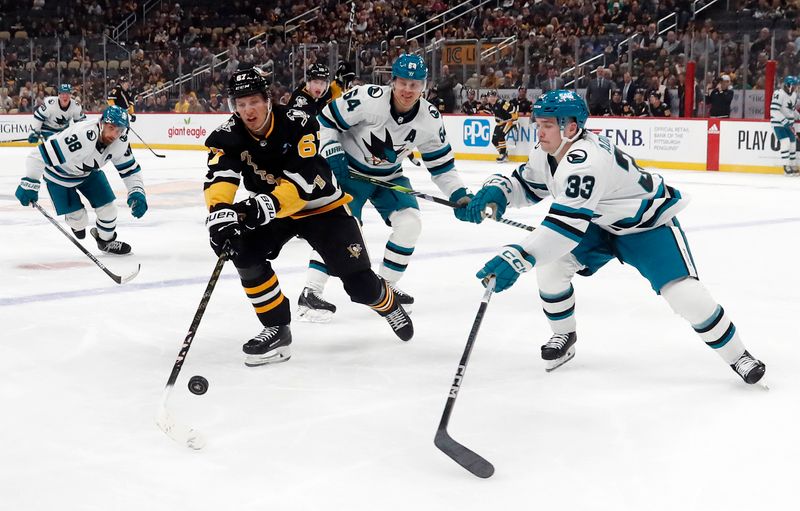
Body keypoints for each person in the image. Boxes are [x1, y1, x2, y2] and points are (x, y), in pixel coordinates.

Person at [458, 90, 765, 385]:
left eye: (548, 125)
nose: (540, 132)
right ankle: (565, 335)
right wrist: (497, 193)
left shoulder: (585, 160)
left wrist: (518, 257)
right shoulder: (548, 150)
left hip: (645, 225)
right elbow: (528, 184)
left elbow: (564, 229)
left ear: (571, 128)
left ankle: (739, 356)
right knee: (551, 268)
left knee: (686, 296)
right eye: (539, 124)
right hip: (597, 222)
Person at [202, 67, 413, 365]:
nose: (247, 110)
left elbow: (302, 182)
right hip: (273, 210)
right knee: (243, 250)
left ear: (268, 100)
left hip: (321, 206)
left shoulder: (298, 122)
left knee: (360, 286)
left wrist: (261, 207)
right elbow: (220, 177)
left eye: (253, 101)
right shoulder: (227, 135)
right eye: (240, 103)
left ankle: (388, 304)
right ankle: (276, 328)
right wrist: (220, 213)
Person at [297, 54, 472, 322]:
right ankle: (311, 292)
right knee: (341, 229)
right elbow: (325, 120)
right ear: (393, 82)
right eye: (403, 83)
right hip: (349, 173)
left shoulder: (430, 119)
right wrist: (331, 149)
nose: (408, 90)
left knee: (410, 223)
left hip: (389, 177)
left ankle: (385, 287)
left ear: (424, 86)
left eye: (415, 85)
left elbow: (442, 166)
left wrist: (459, 195)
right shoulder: (368, 99)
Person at [15, 105, 146, 252]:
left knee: (109, 210)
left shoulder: (120, 141)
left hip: (87, 174)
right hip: (59, 177)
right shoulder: (82, 135)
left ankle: (105, 242)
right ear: (101, 123)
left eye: (119, 130)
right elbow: (37, 156)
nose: (114, 135)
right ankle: (76, 223)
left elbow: (130, 170)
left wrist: (137, 191)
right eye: (111, 128)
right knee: (79, 221)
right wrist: (30, 183)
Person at [770, 75, 798, 176]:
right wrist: (784, 120)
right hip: (778, 124)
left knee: (792, 143)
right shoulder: (779, 93)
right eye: (794, 85)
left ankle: (793, 164)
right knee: (785, 142)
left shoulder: (794, 94)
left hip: (789, 123)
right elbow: (773, 110)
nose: (795, 87)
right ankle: (786, 166)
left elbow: (791, 109)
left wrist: (797, 115)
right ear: (788, 85)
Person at [483, 89, 519, 162]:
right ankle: (503, 153)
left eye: (494, 96)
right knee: (494, 140)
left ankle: (502, 154)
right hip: (501, 123)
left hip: (509, 122)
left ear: (496, 97)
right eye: (490, 97)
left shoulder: (501, 103)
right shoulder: (490, 104)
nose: (492, 98)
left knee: (500, 136)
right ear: (487, 98)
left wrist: (514, 120)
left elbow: (513, 110)